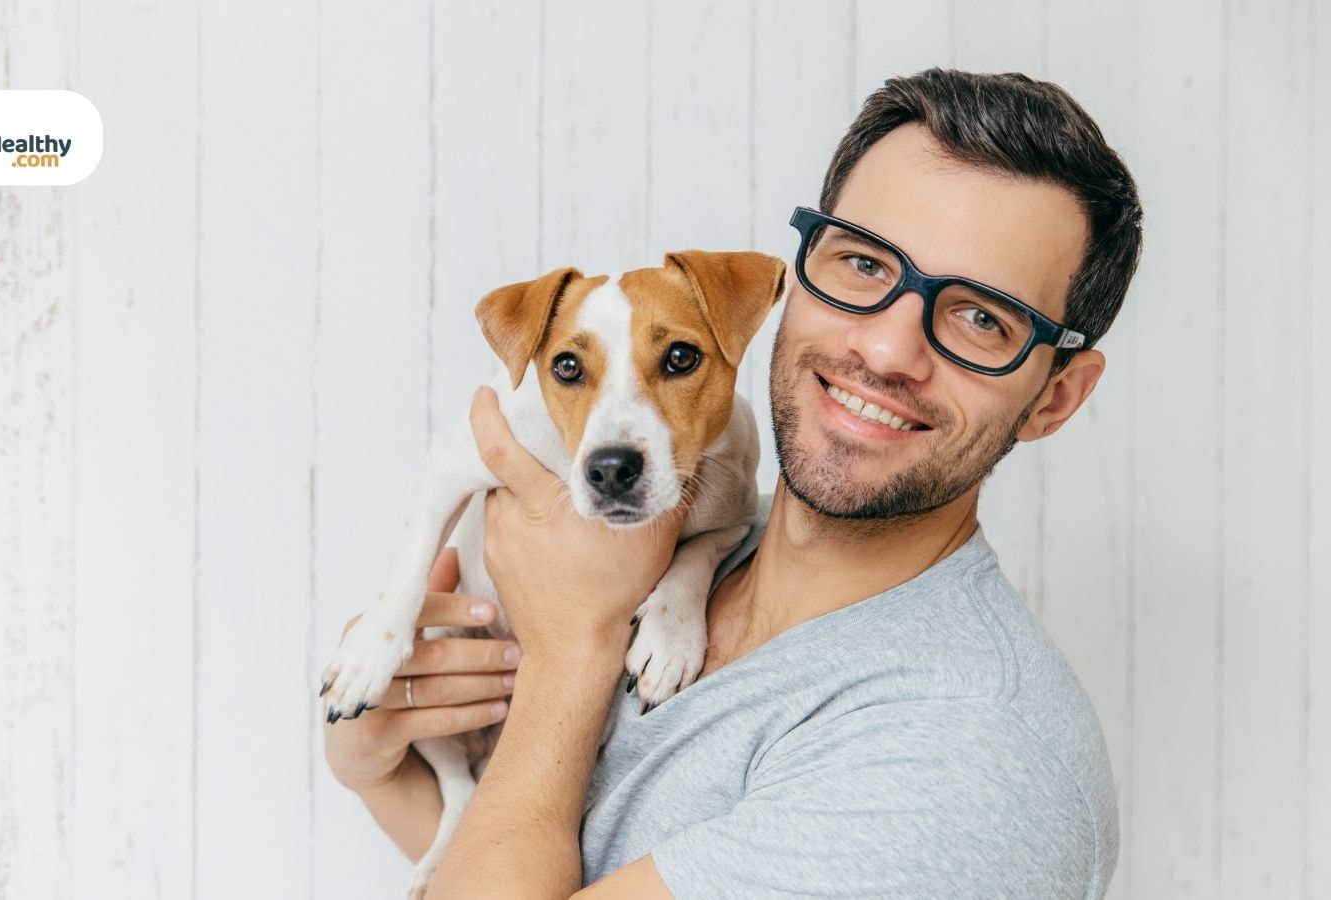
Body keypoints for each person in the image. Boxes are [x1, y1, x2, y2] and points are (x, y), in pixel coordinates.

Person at [324, 67, 1142, 898]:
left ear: (1056, 397)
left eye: (980, 317)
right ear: (797, 270)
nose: (889, 350)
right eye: (863, 263)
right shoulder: (681, 542)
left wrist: (572, 648)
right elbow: (521, 862)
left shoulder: (964, 762)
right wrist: (382, 774)